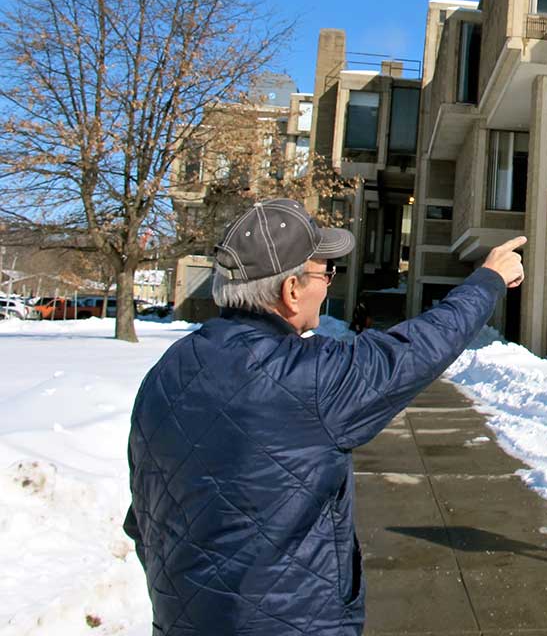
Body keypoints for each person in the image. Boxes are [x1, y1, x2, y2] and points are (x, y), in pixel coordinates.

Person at [123, 198, 524, 635]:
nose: (329, 285)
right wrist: (488, 281)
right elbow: (415, 351)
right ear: (290, 291)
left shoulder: (165, 374)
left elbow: (144, 518)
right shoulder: (306, 378)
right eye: (324, 273)